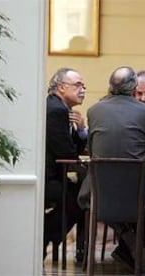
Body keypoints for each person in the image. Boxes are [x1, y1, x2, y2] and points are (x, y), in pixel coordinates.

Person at [78, 66, 145, 271]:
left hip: (98, 190)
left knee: (113, 208)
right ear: (133, 87)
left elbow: (92, 149)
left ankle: (128, 241)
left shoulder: (94, 110)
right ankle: (132, 244)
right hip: (138, 189)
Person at [44, 67, 87, 260]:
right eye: (78, 85)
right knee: (81, 197)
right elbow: (67, 153)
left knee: (78, 193)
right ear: (61, 87)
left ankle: (49, 236)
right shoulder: (57, 110)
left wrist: (80, 130)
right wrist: (81, 133)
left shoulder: (59, 107)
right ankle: (45, 235)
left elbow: (70, 151)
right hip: (47, 178)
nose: (83, 90)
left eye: (84, 86)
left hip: (53, 175)